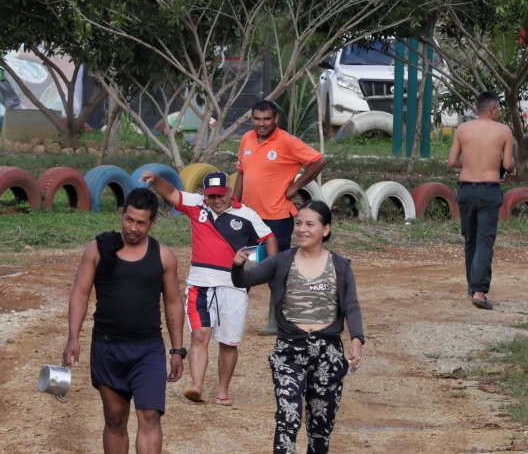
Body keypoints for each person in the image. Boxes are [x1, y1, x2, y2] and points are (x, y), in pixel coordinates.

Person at [231, 201, 364, 454]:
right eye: (298, 223)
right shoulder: (281, 261)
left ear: (325, 230)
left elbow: (352, 304)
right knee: (288, 419)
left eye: (309, 224)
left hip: (328, 353)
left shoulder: (340, 265)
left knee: (320, 427)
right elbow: (245, 280)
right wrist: (237, 265)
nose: (302, 229)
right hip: (289, 351)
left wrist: (357, 338)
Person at [140, 169, 278, 407]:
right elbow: (172, 193)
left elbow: (269, 239)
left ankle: (222, 391)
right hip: (200, 284)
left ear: (228, 192)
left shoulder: (246, 214)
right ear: (205, 195)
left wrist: (269, 268)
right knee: (200, 335)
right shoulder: (196, 205)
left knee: (228, 342)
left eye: (220, 195)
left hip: (234, 286)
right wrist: (155, 181)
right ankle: (197, 385)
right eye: (211, 196)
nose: (216, 200)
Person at [64, 188, 186, 454]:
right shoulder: (98, 249)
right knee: (115, 420)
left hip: (148, 349)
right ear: (122, 214)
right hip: (107, 348)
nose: (133, 228)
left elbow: (174, 302)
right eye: (129, 220)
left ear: (152, 222)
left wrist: (177, 350)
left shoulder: (163, 257)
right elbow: (80, 293)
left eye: (141, 223)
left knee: (150, 417)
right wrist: (73, 337)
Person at [233, 99, 328, 334]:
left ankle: (276, 321)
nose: (261, 124)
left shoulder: (286, 141)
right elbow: (242, 174)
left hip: (276, 218)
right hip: (248, 217)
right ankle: (234, 319)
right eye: (257, 119)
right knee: (245, 265)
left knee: (277, 269)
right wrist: (234, 204)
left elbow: (318, 160)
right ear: (251, 119)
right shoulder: (246, 139)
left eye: (266, 119)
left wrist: (296, 186)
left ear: (276, 119)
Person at [447, 90, 515, 311]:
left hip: (465, 189)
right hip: (489, 190)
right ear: (493, 109)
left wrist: (470, 164)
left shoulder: (463, 129)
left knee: (470, 239)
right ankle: (479, 291)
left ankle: (471, 285)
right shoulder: (504, 131)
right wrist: (496, 165)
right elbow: (507, 166)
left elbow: (452, 161)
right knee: (485, 240)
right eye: (499, 109)